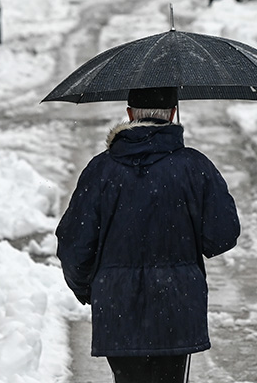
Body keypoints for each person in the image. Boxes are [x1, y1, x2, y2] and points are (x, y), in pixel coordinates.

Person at [56, 87, 241, 383]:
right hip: (177, 307)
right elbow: (222, 235)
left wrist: (92, 289)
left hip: (117, 306)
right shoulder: (195, 167)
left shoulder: (100, 171)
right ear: (172, 114)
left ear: (130, 115)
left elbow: (74, 245)